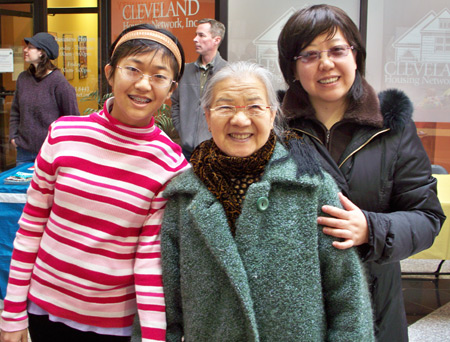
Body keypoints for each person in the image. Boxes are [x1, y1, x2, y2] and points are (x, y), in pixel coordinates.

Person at [0, 24, 189, 342]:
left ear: (171, 89)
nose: (143, 84)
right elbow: (31, 227)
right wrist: (12, 314)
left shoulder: (170, 165)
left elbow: (150, 263)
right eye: (133, 69)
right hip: (45, 309)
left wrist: (154, 338)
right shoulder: (64, 133)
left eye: (158, 75)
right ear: (110, 73)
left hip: (115, 324)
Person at [161, 61, 375, 341]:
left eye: (254, 107)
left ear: (272, 114)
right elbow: (165, 306)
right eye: (225, 107)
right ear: (207, 115)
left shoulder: (311, 187)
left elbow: (347, 295)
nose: (240, 120)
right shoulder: (182, 196)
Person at [277, 5, 446, 341]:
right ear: (293, 68)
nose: (326, 64)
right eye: (309, 54)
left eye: (337, 50)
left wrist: (372, 228)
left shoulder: (392, 127)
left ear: (356, 56)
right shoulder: (273, 128)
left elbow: (427, 217)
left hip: (374, 303)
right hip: (293, 306)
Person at [9, 32, 79, 166]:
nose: (25, 50)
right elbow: (15, 111)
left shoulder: (59, 82)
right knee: (21, 188)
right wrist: (14, 137)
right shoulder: (23, 78)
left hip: (50, 153)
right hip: (23, 152)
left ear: (42, 52)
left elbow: (72, 119)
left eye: (30, 47)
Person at [170, 18, 227, 161]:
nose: (195, 39)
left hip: (216, 152)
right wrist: (183, 130)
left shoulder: (228, 73)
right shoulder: (185, 71)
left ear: (216, 40)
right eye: (196, 35)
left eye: (201, 35)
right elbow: (175, 103)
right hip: (186, 151)